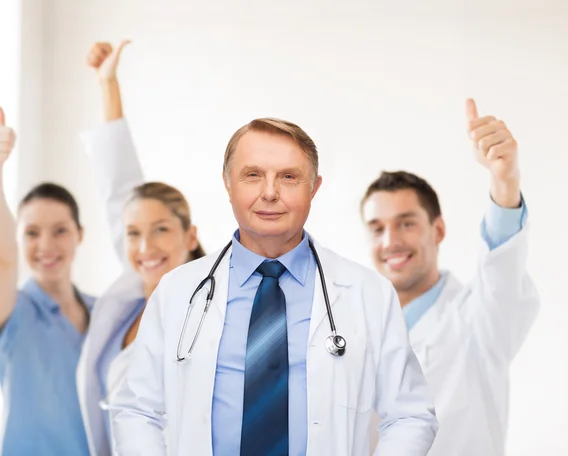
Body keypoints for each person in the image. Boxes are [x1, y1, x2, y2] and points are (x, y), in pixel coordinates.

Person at [109, 116, 439, 455]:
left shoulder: (367, 293)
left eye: (289, 177)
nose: (270, 193)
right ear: (228, 184)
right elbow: (136, 410)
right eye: (252, 175)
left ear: (314, 187)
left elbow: (409, 416)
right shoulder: (177, 291)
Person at [361, 99, 540, 456]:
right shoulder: (359, 328)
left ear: (438, 230)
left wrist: (504, 181)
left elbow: (501, 273)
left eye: (406, 223)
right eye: (377, 228)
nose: (390, 241)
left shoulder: (479, 320)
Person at [76, 40, 205, 456]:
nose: (145, 246)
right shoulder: (131, 301)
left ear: (189, 236)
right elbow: (118, 189)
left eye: (161, 229)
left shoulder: (209, 313)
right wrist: (107, 84)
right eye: (133, 234)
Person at [0, 107, 95, 456]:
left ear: (80, 235)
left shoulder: (103, 310)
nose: (46, 246)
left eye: (60, 231)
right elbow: (1, 256)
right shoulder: (13, 312)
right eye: (31, 233)